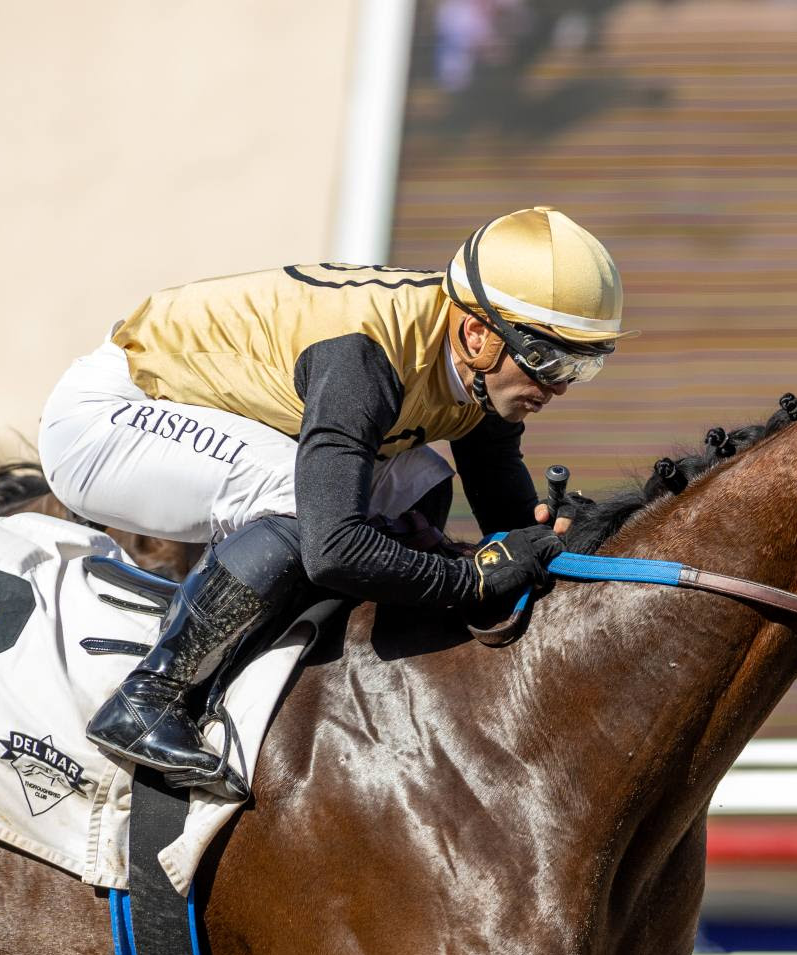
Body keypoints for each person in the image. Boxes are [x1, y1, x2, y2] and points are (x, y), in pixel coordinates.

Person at [38, 206, 632, 799]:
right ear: (476, 334)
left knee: (421, 488)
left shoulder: (485, 368)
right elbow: (334, 548)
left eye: (584, 365)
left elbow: (500, 502)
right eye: (548, 360)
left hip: (198, 414)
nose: (557, 387)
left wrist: (554, 550)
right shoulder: (364, 360)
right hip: (104, 420)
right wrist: (469, 583)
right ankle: (148, 698)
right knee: (309, 507)